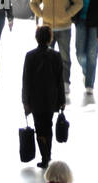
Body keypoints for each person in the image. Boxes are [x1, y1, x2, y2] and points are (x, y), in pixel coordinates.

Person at [22, 24, 66, 169]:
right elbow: (60, 80)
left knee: (39, 127)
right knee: (48, 126)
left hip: (35, 100)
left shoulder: (30, 56)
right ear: (50, 39)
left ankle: (45, 156)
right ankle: (48, 154)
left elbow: (26, 80)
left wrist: (25, 101)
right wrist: (62, 100)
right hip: (51, 98)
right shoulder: (56, 55)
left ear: (37, 38)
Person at [30, 0, 83, 93]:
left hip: (64, 27)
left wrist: (68, 14)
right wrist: (41, 14)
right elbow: (33, 3)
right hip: (47, 27)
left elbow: (79, 3)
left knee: (65, 56)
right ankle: (46, 82)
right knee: (45, 57)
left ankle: (65, 82)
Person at [74, 0, 98, 93]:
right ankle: (86, 71)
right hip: (80, 20)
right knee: (79, 54)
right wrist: (73, 17)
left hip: (95, 24)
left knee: (92, 54)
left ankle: (89, 84)